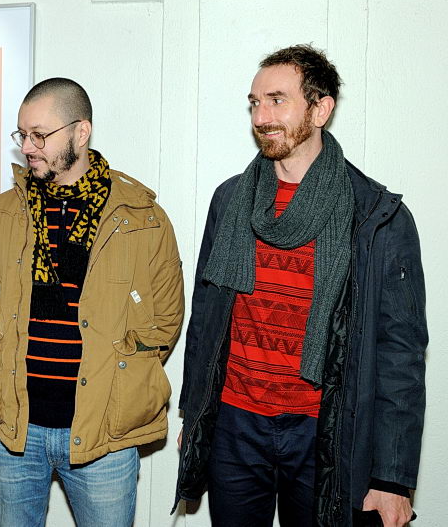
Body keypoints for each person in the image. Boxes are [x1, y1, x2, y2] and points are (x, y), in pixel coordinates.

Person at [173, 45, 428, 527]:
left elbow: (401, 354)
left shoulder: (376, 216)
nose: (261, 117)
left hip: (325, 432)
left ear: (320, 109)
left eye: (277, 100)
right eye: (255, 103)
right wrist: (196, 413)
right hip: (234, 425)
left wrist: (392, 478)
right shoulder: (231, 200)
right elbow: (205, 316)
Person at [0, 77, 184, 527]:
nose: (27, 147)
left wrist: (124, 374)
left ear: (81, 132)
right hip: (14, 430)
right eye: (22, 135)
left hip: (105, 434)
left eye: (39, 135)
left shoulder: (142, 218)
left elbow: (166, 320)